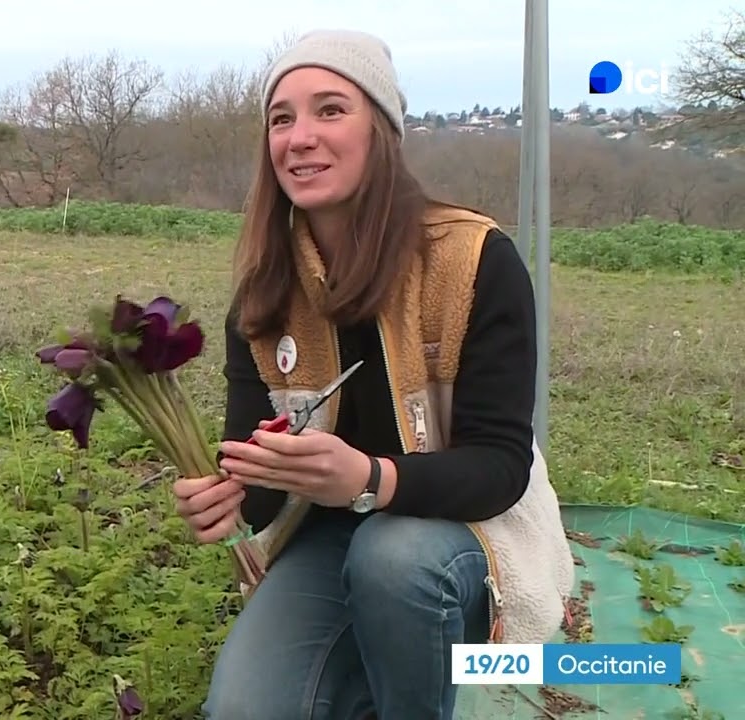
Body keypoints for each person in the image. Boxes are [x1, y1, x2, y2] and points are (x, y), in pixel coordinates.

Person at [172, 29, 576, 720]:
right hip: (332, 538)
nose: (300, 137)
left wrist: (368, 479)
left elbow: (501, 467)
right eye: (282, 118)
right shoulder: (265, 295)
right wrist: (231, 494)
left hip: (466, 535)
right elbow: (262, 488)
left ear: (382, 131)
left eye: (331, 109)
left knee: (393, 561)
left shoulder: (473, 261)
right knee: (245, 710)